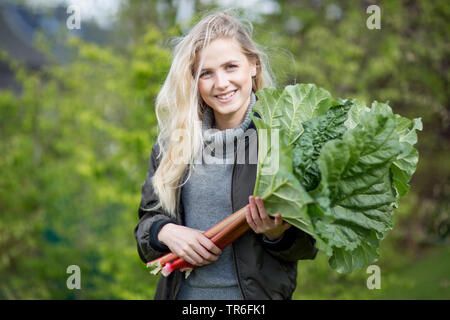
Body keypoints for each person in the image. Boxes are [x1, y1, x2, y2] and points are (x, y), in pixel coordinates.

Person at [134, 10, 318, 300]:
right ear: (194, 80)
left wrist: (276, 233)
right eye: (206, 73)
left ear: (253, 66)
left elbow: (307, 245)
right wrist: (165, 231)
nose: (220, 83)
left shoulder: (284, 139)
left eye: (230, 66)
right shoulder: (174, 144)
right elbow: (146, 225)